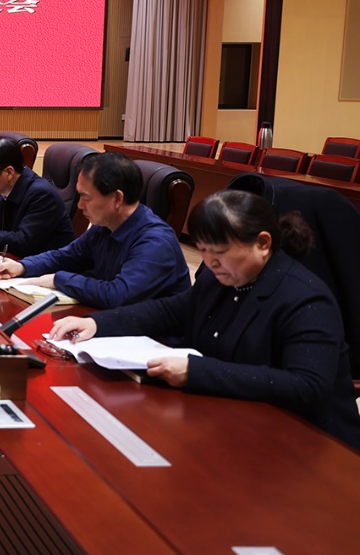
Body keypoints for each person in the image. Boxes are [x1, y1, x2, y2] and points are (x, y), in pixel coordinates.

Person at [49, 190, 360, 450]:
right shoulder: (219, 277)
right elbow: (171, 311)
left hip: (309, 443)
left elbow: (306, 386)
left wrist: (196, 371)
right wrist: (98, 324)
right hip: (232, 422)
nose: (210, 263)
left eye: (220, 252)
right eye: (203, 251)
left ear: (263, 243)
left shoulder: (305, 299)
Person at [0, 152, 190, 308]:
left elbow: (118, 294)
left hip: (156, 341)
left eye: (86, 198)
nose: (79, 206)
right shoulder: (104, 226)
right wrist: (23, 266)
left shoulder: (155, 241)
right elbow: (65, 257)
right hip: (113, 324)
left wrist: (58, 279)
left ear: (117, 198)